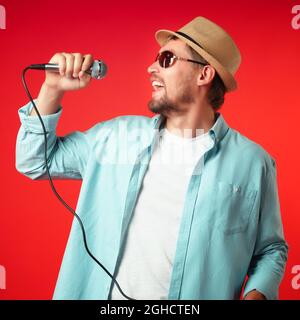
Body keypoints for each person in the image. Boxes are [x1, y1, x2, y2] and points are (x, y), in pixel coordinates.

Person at [16, 16, 288, 300]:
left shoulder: (254, 163)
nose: (151, 68)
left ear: (204, 75)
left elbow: (271, 249)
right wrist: (51, 89)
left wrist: (257, 294)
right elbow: (33, 161)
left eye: (167, 59)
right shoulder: (114, 137)